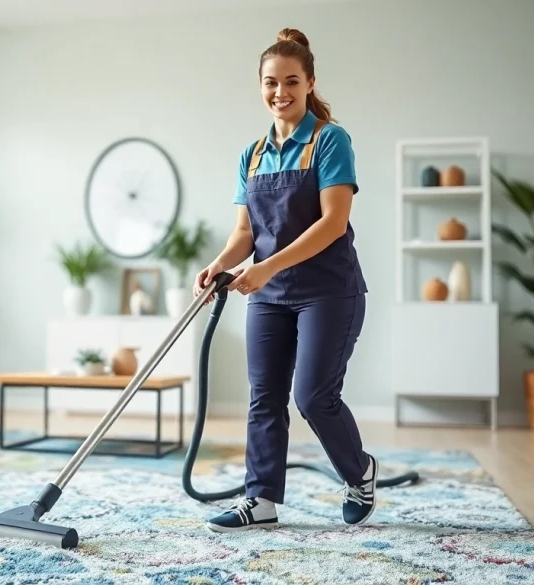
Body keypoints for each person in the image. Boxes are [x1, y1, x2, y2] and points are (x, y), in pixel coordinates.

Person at [193, 27, 375, 532]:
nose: (281, 92)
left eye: (292, 81)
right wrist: (219, 264)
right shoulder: (251, 155)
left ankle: (359, 472)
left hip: (328, 289)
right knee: (264, 395)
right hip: (270, 294)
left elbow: (333, 222)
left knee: (314, 396)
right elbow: (246, 232)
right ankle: (262, 500)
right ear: (260, 86)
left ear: (310, 82)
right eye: (271, 83)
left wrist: (266, 267)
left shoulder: (329, 140)